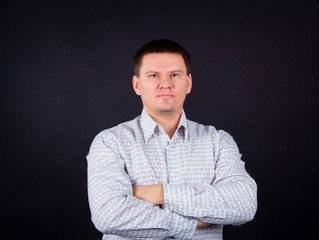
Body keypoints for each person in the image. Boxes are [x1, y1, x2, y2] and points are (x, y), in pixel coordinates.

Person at [87, 39, 257, 240]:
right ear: (137, 85)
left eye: (175, 75)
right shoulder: (110, 142)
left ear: (188, 83)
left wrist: (161, 194)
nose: (165, 84)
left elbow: (244, 204)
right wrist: (193, 223)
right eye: (153, 75)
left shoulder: (218, 141)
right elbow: (108, 215)